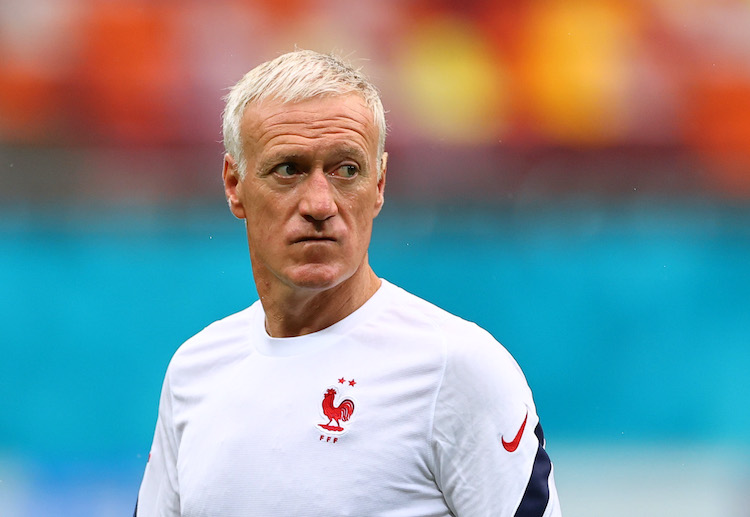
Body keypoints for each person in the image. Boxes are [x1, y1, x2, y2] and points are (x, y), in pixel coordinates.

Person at [135, 49, 561, 517]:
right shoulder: (194, 372)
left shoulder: (457, 367)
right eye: (289, 169)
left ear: (379, 185)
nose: (320, 204)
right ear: (234, 185)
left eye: (346, 170)